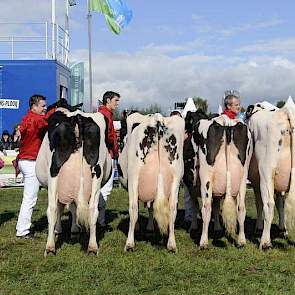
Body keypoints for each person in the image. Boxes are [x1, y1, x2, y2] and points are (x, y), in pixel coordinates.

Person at [16, 94, 55, 239]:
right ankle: (22, 231)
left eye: (46, 106)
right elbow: (46, 120)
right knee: (30, 198)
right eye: (43, 106)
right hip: (31, 161)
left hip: (26, 160)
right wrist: (56, 110)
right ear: (34, 106)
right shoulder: (36, 119)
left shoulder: (28, 117)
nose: (45, 108)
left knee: (30, 197)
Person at [97, 91, 120, 226]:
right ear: (108, 101)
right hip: (107, 155)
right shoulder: (106, 116)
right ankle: (100, 220)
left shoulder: (102, 114)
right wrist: (115, 150)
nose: (117, 104)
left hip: (100, 155)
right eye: (115, 101)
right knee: (105, 188)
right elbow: (110, 136)